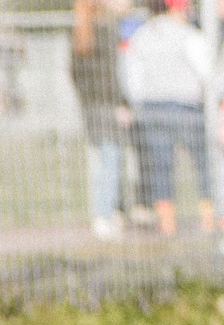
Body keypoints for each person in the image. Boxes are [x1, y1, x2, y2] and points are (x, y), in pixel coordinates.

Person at [119, 0, 215, 235]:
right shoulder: (188, 35)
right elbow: (207, 72)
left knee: (159, 166)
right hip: (186, 107)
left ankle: (167, 222)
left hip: (151, 108)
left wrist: (137, 103)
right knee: (203, 162)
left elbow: (132, 76)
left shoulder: (141, 35)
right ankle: (209, 218)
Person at [69, 0, 131, 241]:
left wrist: (87, 99)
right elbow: (112, 74)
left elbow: (75, 73)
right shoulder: (105, 31)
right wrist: (120, 103)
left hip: (91, 106)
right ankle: (105, 215)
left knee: (102, 161)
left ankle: (106, 214)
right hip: (108, 106)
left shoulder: (78, 32)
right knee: (111, 159)